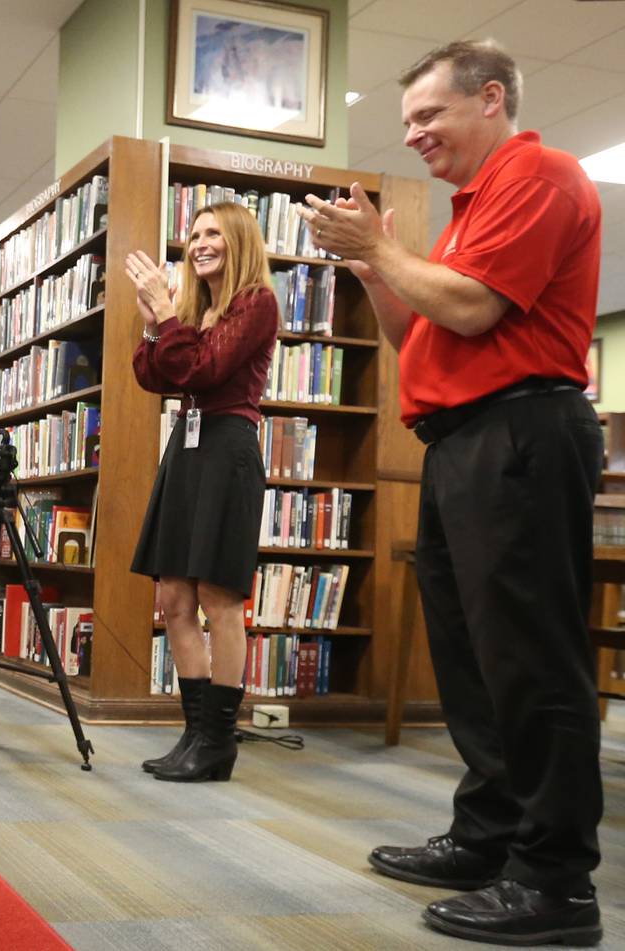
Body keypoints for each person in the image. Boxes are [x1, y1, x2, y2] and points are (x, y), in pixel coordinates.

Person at [302, 40, 605, 947]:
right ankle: (492, 835)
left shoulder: (540, 175)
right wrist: (373, 264)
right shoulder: (471, 208)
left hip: (521, 432)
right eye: (408, 124)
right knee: (472, 658)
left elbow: (474, 309)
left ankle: (557, 882)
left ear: (491, 98)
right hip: (463, 441)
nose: (416, 135)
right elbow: (420, 334)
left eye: (430, 116)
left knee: (530, 658)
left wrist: (384, 250)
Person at [126, 201, 278, 785]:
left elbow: (206, 371)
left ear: (238, 240)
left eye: (212, 232)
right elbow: (156, 376)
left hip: (228, 448)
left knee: (218, 600)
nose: (199, 243)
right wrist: (154, 320)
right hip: (187, 452)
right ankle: (192, 734)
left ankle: (218, 742)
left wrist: (167, 315)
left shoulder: (256, 304)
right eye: (193, 234)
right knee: (173, 601)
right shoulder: (198, 308)